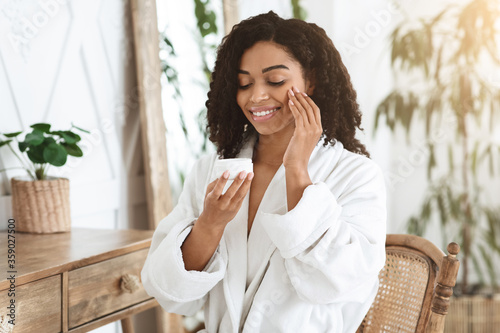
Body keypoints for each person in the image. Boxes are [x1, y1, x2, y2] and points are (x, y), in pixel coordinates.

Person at [141, 11, 386, 333]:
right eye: (244, 83)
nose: (256, 96)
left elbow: (342, 282)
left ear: (310, 81)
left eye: (275, 81)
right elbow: (168, 291)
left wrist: (297, 168)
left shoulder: (354, 174)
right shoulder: (210, 172)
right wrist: (210, 223)